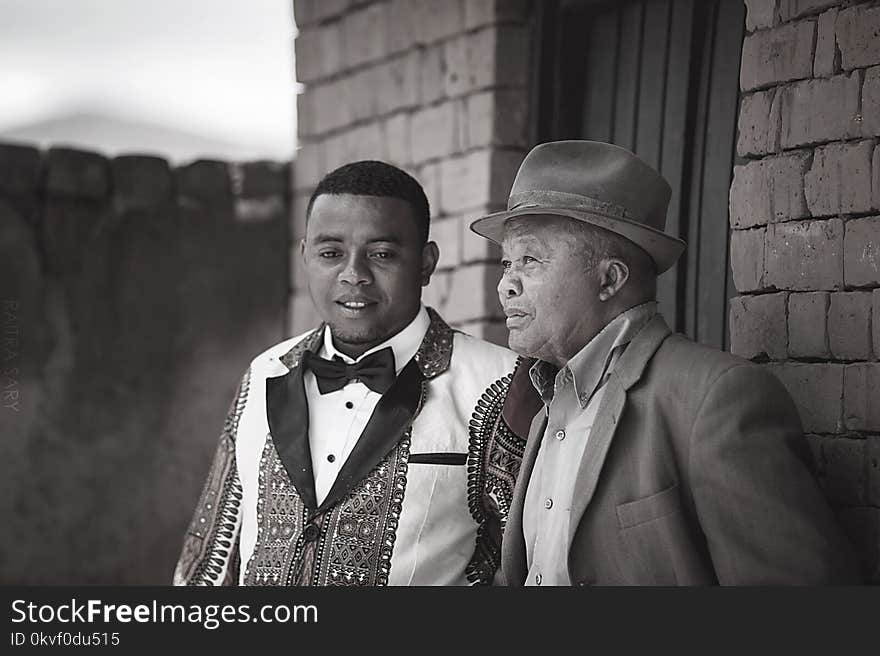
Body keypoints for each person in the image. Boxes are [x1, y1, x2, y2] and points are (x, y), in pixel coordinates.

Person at [469, 140, 861, 586]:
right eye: (506, 263)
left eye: (530, 260)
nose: (506, 286)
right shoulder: (548, 406)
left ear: (610, 279)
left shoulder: (716, 398)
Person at [174, 160, 536, 586]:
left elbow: (527, 564)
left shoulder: (501, 383)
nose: (354, 275)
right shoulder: (265, 372)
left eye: (381, 254)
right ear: (304, 256)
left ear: (425, 263)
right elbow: (212, 556)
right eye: (330, 253)